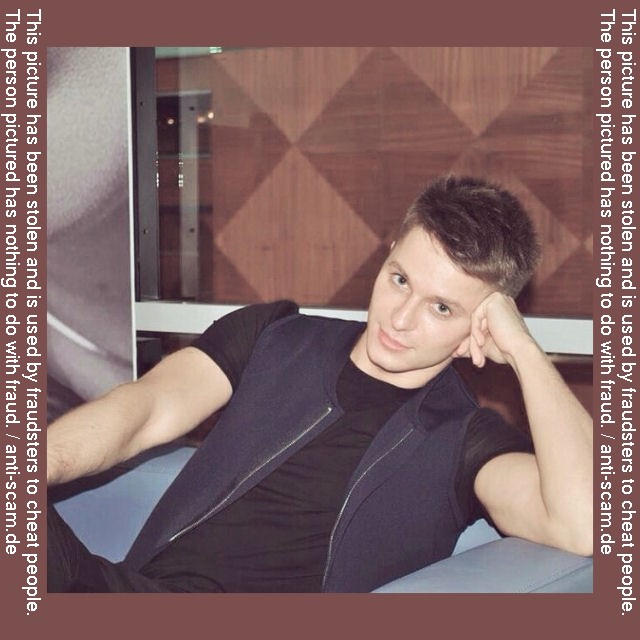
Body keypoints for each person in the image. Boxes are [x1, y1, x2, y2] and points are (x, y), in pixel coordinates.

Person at [47, 175, 593, 593]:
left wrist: (524, 351)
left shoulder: (464, 440)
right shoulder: (273, 337)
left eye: (441, 308)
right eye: (400, 279)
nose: (400, 318)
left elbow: (586, 524)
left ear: (481, 325)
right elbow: (144, 411)